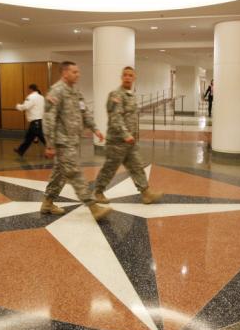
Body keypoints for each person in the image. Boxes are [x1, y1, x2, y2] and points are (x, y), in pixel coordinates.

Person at [42, 61, 111, 221]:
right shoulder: (56, 91)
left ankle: (47, 202)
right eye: (74, 72)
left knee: (60, 173)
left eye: (78, 72)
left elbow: (84, 111)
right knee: (74, 172)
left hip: (72, 140)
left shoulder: (76, 91)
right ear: (64, 73)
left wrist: (95, 129)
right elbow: (49, 119)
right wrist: (50, 144)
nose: (77, 75)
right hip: (62, 141)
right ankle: (93, 206)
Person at [93, 67, 163, 205]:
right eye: (125, 75)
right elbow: (115, 117)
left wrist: (133, 136)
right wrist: (125, 134)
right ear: (121, 77)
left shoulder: (131, 96)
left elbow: (131, 118)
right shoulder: (116, 95)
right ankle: (98, 192)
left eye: (130, 75)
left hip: (130, 142)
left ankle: (146, 193)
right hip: (117, 142)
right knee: (110, 168)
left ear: (134, 78)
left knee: (137, 166)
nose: (127, 77)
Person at [14, 84, 46, 156]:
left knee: (44, 138)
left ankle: (54, 151)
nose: (27, 91)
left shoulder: (31, 97)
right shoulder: (41, 97)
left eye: (28, 89)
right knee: (28, 138)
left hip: (35, 122)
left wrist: (18, 106)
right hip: (40, 121)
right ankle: (20, 150)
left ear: (30, 89)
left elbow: (25, 107)